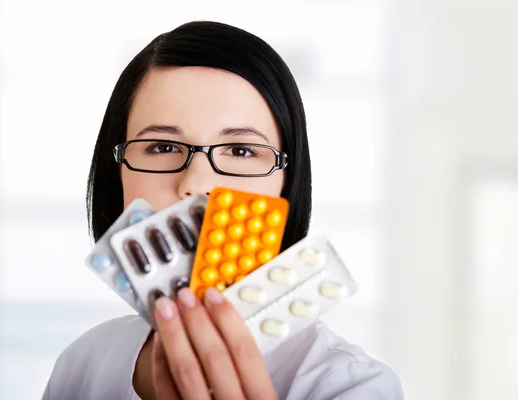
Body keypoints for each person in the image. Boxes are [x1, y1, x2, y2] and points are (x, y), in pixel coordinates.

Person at [42, 21, 403, 400]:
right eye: (162, 147)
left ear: (286, 183)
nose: (196, 185)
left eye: (241, 151)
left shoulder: (350, 385)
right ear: (116, 172)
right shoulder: (83, 363)